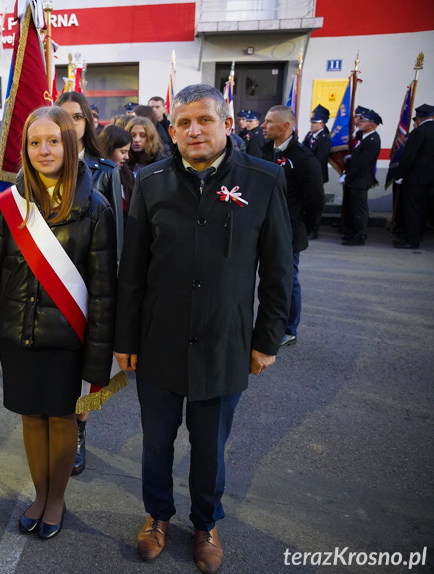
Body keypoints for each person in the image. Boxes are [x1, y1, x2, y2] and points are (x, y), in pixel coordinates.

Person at [114, 84, 292, 573]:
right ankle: (157, 516)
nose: (195, 130)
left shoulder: (263, 181)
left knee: (210, 447)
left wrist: (267, 340)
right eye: (184, 123)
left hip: (224, 343)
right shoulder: (150, 183)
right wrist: (125, 340)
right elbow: (132, 272)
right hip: (159, 342)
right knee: (156, 442)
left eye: (205, 121)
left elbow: (278, 270)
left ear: (227, 125)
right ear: (171, 131)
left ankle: (206, 522)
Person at [0, 105, 117, 539]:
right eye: (35, 142)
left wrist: (99, 358)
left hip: (67, 339)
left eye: (53, 140)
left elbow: (105, 291)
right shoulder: (9, 204)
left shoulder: (96, 208)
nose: (44, 149)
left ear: (70, 146)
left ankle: (57, 499)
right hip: (19, 335)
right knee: (31, 417)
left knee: (61, 417)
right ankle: (39, 493)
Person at [55, 91, 117, 475]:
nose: (70, 124)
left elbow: (117, 244)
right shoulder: (36, 164)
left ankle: (78, 432)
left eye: (77, 117)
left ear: (87, 124)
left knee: (85, 371)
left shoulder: (106, 172)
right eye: (62, 116)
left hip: (88, 290)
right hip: (51, 291)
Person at [262, 105, 325, 348]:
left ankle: (289, 329)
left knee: (287, 280)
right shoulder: (265, 151)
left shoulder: (303, 158)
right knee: (266, 279)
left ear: (286, 126)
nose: (263, 126)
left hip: (288, 229)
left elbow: (315, 200)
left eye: (269, 122)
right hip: (264, 227)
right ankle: (267, 324)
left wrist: (304, 228)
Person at [393, 103, 434, 249]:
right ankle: (418, 234)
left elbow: (409, 156)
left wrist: (400, 175)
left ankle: (411, 239)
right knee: (423, 209)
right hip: (430, 179)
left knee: (412, 210)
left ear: (419, 118)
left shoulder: (419, 132)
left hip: (415, 178)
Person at [341, 108, 381, 246]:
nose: (360, 123)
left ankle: (360, 236)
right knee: (353, 209)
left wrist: (347, 176)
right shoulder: (363, 137)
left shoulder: (373, 140)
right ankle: (353, 232)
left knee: (359, 210)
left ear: (372, 124)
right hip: (355, 179)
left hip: (360, 180)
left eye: (364, 121)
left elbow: (362, 164)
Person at [97, 124, 134, 254]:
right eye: (123, 152)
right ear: (108, 149)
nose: (127, 157)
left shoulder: (127, 175)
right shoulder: (96, 177)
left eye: (128, 152)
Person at [302, 105, 331, 239]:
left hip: (316, 175)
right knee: (306, 203)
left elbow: (321, 159)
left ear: (322, 124)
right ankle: (307, 227)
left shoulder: (324, 138)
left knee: (315, 203)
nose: (312, 125)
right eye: (312, 122)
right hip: (307, 174)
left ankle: (314, 230)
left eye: (315, 123)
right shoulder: (310, 135)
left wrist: (312, 173)